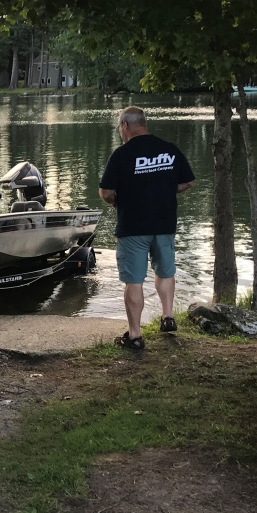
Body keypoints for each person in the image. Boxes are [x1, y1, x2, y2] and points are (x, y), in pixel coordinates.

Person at [98, 106, 195, 350]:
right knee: (165, 272)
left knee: (134, 281)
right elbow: (188, 182)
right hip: (164, 223)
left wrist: (118, 201)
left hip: (133, 226)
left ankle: (135, 335)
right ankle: (168, 316)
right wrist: (162, 190)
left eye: (120, 128)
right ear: (144, 123)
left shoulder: (122, 154)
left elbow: (106, 192)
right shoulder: (169, 149)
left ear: (125, 126)